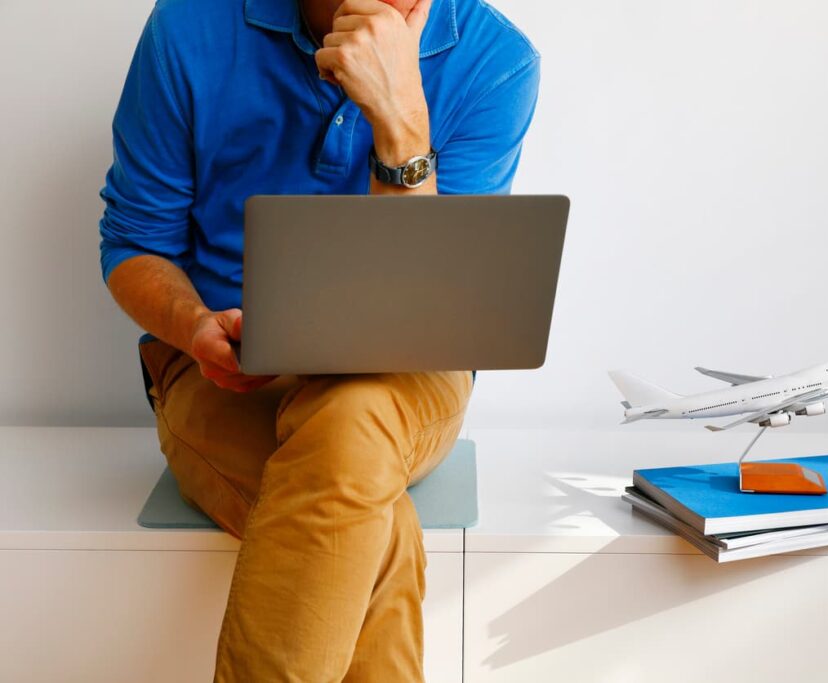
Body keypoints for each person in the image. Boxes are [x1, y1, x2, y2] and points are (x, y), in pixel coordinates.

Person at [97, 0, 539, 679]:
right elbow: (133, 244)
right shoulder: (189, 26)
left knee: (354, 420)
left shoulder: (495, 58)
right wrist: (192, 325)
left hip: (412, 374)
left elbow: (427, 311)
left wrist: (400, 122)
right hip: (221, 368)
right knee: (374, 526)